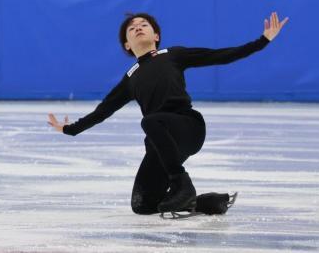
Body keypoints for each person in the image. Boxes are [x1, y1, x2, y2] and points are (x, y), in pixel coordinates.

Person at [46, 12, 289, 215]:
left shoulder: (173, 55)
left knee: (150, 121)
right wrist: (69, 129)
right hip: (161, 143)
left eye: (144, 24)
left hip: (188, 128)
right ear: (127, 45)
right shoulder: (130, 78)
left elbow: (220, 56)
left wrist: (263, 40)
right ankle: (207, 202)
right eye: (132, 28)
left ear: (156, 36)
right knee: (142, 205)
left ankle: (182, 183)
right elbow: (102, 112)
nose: (138, 27)